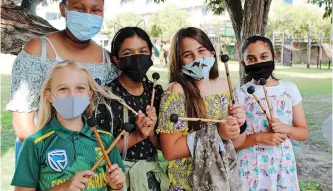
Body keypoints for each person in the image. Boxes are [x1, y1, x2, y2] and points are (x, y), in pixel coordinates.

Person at [6, 0, 118, 163]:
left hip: (90, 158)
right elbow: (23, 121)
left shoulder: (106, 60)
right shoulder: (38, 51)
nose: (88, 15)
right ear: (63, 9)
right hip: (43, 156)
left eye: (95, 9)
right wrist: (49, 162)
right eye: (80, 9)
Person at [11, 60, 125, 191]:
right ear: (50, 96)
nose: (72, 95)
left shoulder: (106, 139)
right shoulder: (35, 143)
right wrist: (63, 188)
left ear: (90, 95)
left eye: (80, 88)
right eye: (63, 89)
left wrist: (117, 186)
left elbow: (117, 187)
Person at [157, 27, 247, 191]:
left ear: (212, 53)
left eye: (201, 51)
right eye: (188, 55)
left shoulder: (226, 85)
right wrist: (217, 133)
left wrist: (240, 125)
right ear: (179, 61)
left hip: (222, 180)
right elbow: (170, 151)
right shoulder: (176, 90)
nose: (197, 59)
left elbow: (237, 142)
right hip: (188, 183)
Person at [96, 27, 169, 191]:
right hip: (119, 179)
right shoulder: (107, 97)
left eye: (143, 51)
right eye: (128, 53)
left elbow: (162, 147)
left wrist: (150, 133)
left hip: (152, 178)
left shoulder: (155, 92)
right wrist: (137, 135)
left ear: (150, 54)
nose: (137, 58)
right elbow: (101, 152)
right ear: (116, 59)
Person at [236, 35, 308, 190]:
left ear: (273, 56)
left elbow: (303, 133)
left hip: (283, 168)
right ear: (244, 63)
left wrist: (287, 128)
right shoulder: (239, 95)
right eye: (251, 59)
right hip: (251, 169)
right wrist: (259, 137)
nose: (259, 62)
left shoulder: (290, 90)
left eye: (264, 56)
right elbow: (234, 144)